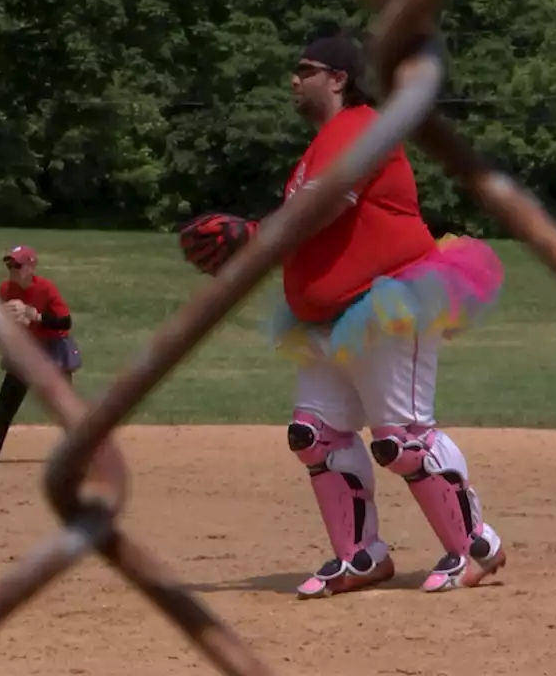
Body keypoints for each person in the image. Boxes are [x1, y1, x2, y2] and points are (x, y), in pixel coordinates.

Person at [178, 33, 507, 598]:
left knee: (401, 439)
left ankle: (474, 543)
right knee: (315, 435)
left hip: (385, 302)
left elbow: (326, 205)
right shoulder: (319, 148)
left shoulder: (361, 129)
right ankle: (361, 555)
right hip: (327, 313)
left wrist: (255, 234)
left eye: (304, 69)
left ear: (338, 78)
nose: (293, 79)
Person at [0, 245, 82, 464]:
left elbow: (65, 321)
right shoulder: (5, 290)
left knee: (64, 405)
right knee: (7, 401)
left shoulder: (46, 288)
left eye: (17, 265)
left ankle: (78, 453)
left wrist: (36, 316)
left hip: (53, 349)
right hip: (25, 348)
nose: (12, 269)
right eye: (9, 265)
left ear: (31, 267)